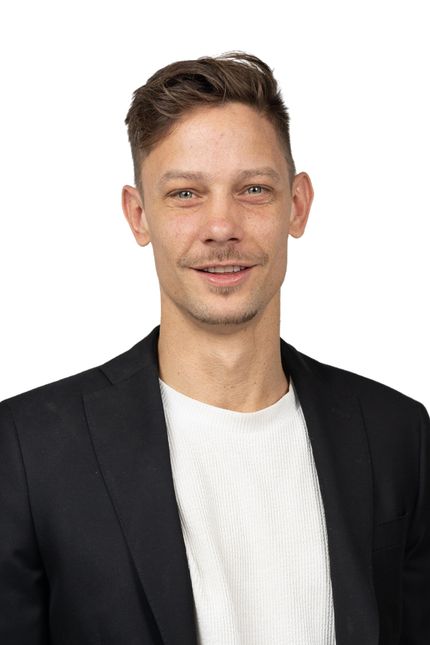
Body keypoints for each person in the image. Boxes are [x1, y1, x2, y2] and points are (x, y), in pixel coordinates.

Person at [0, 52, 428, 645]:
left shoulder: (397, 434)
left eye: (253, 189)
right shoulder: (28, 449)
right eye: (185, 193)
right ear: (138, 215)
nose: (222, 227)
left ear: (297, 205)